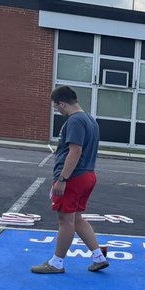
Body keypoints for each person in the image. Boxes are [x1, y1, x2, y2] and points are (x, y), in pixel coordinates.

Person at [32, 86, 109, 275]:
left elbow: (76, 151)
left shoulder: (74, 121)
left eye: (57, 106)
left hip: (74, 177)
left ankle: (57, 262)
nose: (58, 110)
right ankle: (99, 257)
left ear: (62, 103)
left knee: (65, 220)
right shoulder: (90, 120)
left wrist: (62, 179)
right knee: (76, 218)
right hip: (87, 175)